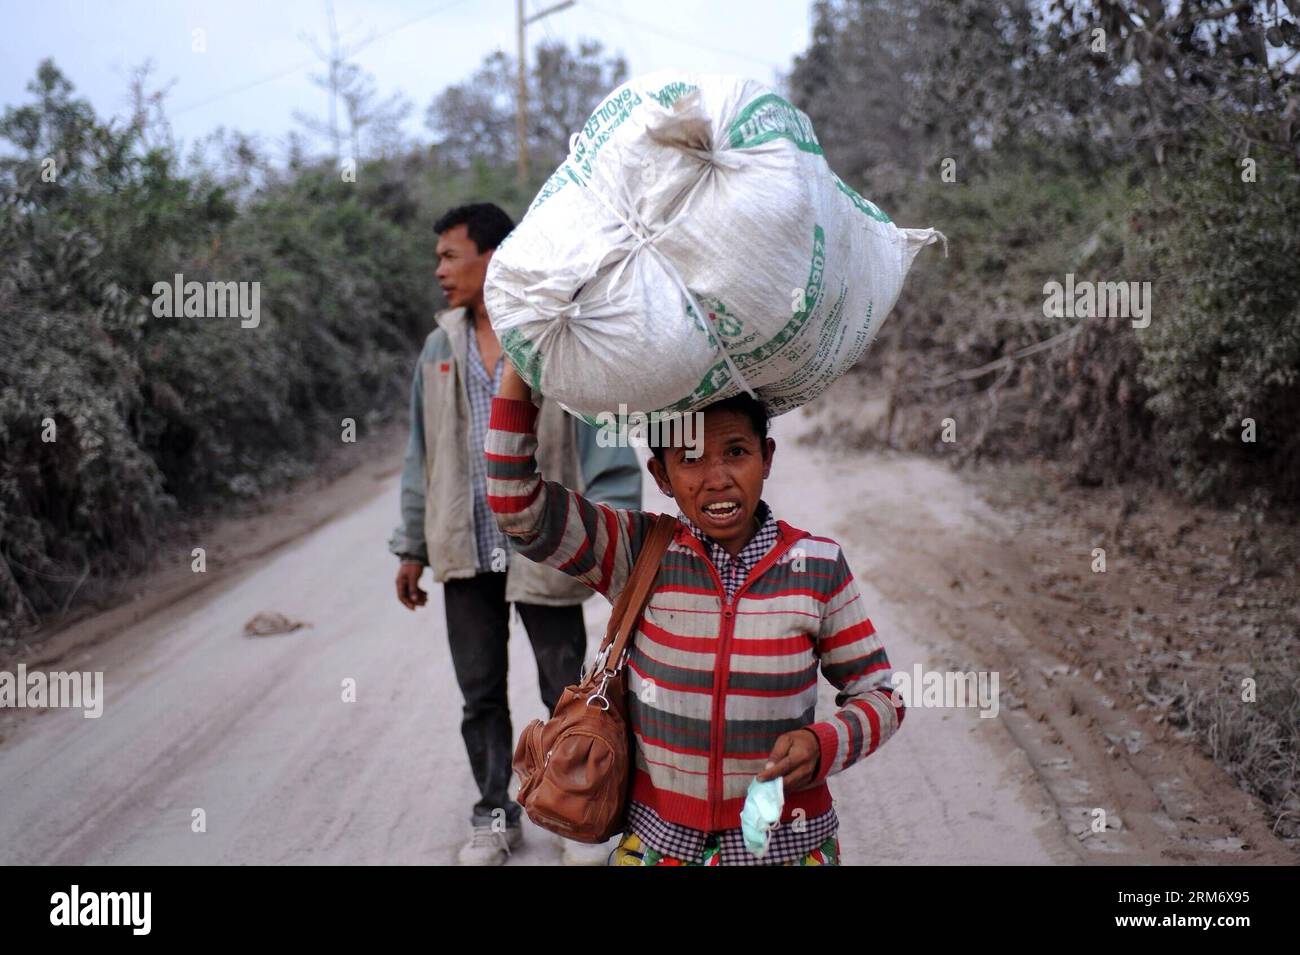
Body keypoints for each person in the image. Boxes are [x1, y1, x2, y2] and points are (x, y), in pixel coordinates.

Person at [485, 360, 906, 865]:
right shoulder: (637, 551)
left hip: (787, 847)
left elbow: (879, 696)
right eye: (690, 459)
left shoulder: (817, 566)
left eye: (736, 452)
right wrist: (520, 368)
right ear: (660, 475)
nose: (718, 478)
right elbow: (515, 505)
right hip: (660, 847)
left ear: (766, 457)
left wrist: (824, 743)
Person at [389, 203, 641, 866]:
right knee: (479, 690)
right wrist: (412, 544)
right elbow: (422, 452)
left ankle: (573, 809)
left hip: (544, 543)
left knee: (561, 683)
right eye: (439, 256)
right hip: (465, 545)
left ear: (493, 256)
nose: (439, 268)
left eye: (450, 254)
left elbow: (603, 434)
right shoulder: (439, 346)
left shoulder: (548, 334)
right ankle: (495, 810)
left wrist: (619, 541)